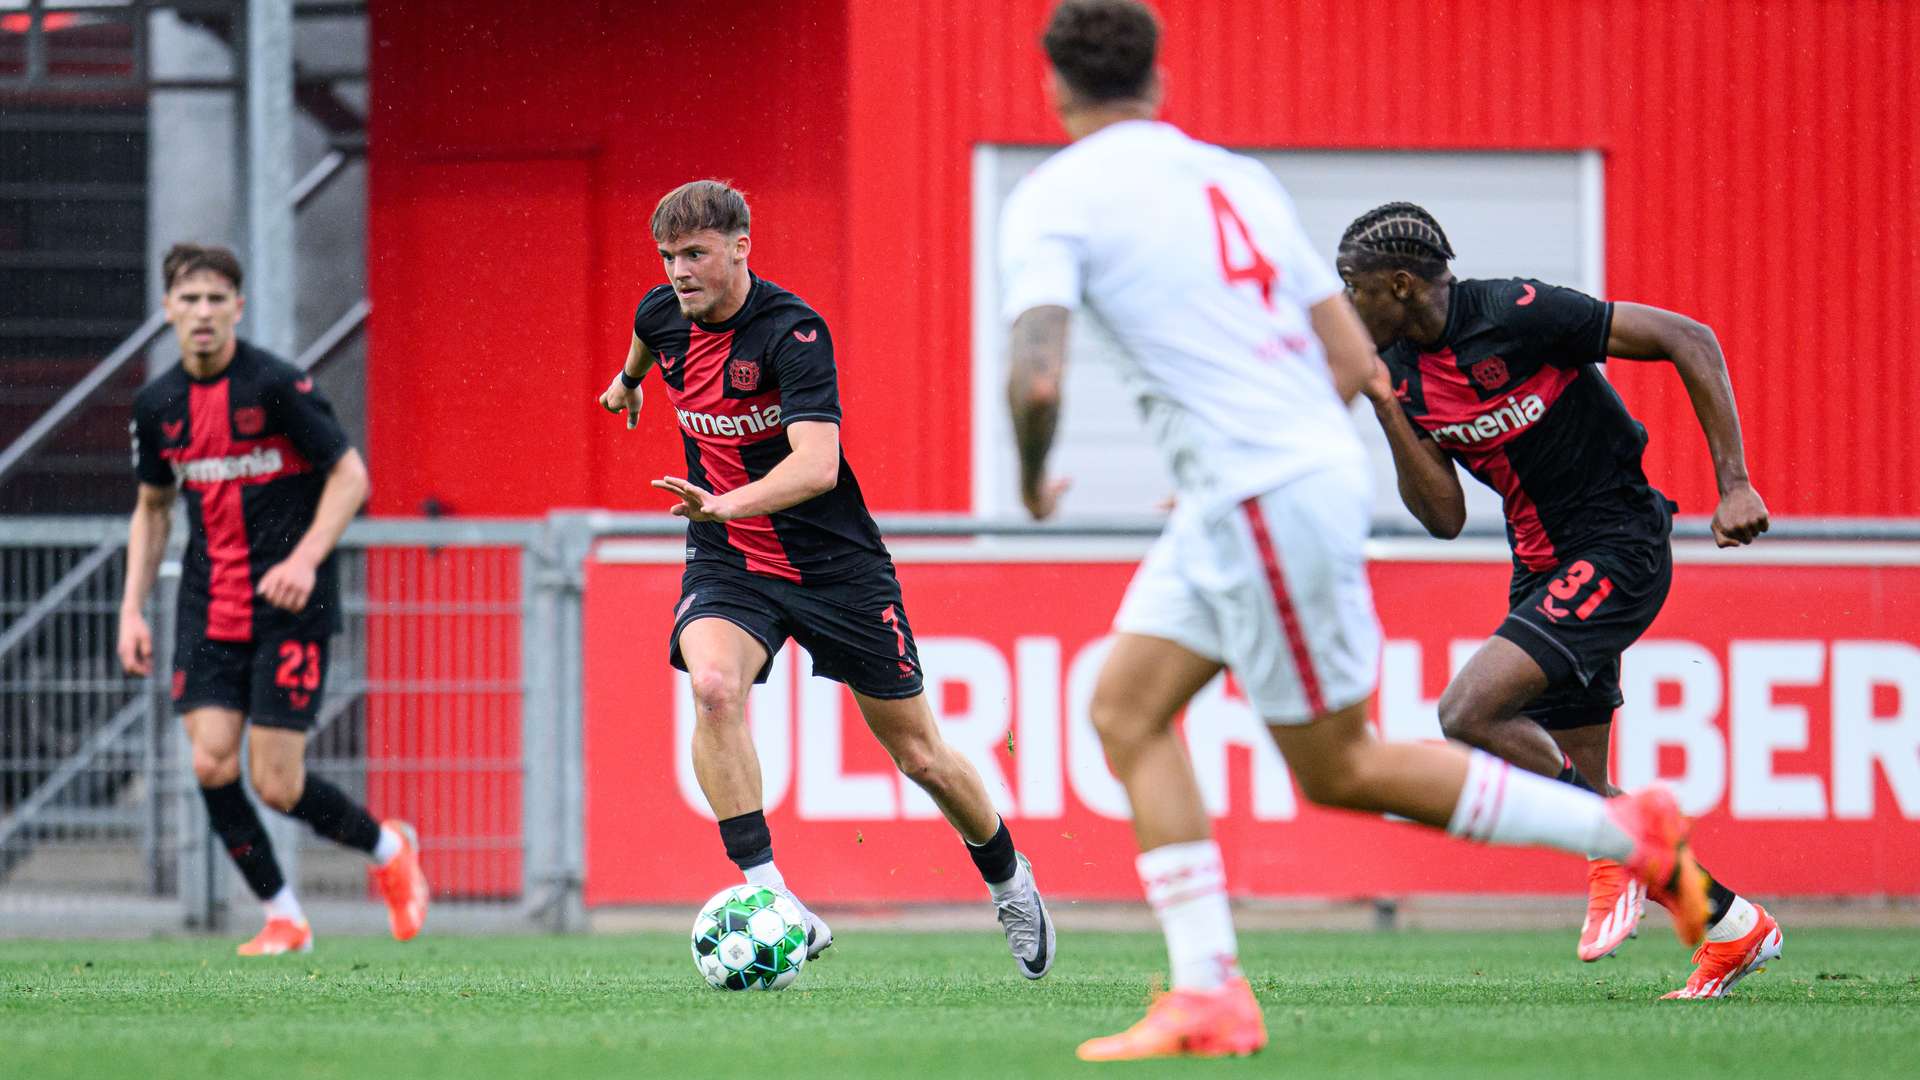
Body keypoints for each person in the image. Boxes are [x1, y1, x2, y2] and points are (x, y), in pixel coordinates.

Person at [1003, 1, 1710, 1060]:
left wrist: (1031, 478)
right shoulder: (1235, 180)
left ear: (1055, 87)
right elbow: (1346, 362)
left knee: (1341, 767)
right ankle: (1208, 994)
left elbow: (1038, 373)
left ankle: (1617, 828)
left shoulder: (1053, 200)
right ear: (1155, 80)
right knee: (1124, 707)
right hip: (1248, 489)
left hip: (1259, 490)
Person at [598, 180, 1054, 979]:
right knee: (712, 686)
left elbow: (818, 466)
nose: (679, 271)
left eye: (696, 254)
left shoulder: (791, 332)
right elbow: (644, 342)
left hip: (834, 565)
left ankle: (1009, 878)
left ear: (741, 246)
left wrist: (723, 501)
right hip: (730, 556)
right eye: (668, 258)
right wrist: (627, 384)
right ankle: (777, 900)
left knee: (919, 755)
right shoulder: (659, 312)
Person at [1338, 201, 1783, 999]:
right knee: (1575, 786)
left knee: (1468, 712)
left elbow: (1690, 338)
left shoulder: (1518, 312)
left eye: (1354, 287)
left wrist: (1736, 483)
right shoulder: (1401, 372)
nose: (1344, 305)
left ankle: (1620, 840)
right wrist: (1381, 405)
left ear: (1400, 284)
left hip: (1619, 541)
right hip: (1542, 567)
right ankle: (1729, 924)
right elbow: (1442, 518)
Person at [120, 244, 428, 955]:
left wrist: (306, 556)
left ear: (238, 307)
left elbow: (350, 475)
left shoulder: (277, 386)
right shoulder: (156, 404)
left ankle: (388, 849)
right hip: (207, 602)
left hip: (293, 602)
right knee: (209, 762)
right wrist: (131, 608)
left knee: (277, 783)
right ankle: (284, 916)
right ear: (167, 309)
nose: (202, 312)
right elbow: (153, 507)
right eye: (188, 299)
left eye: (215, 298)